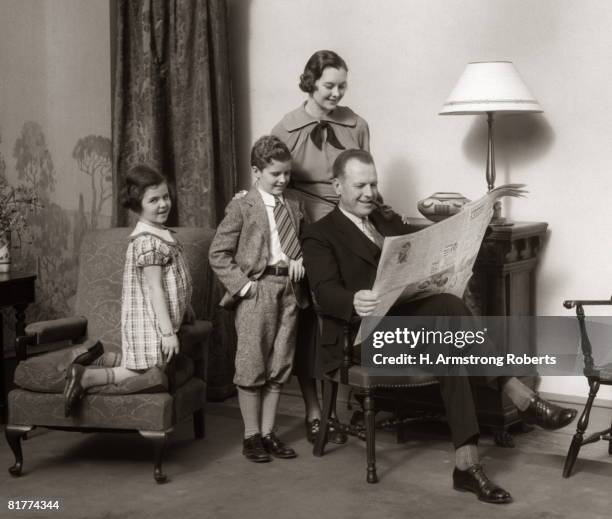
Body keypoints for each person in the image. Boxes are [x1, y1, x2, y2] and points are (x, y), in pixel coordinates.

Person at [301, 149, 578, 504]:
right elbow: (324, 294)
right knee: (448, 324)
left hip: (407, 325)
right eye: (360, 185)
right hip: (361, 337)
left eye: (373, 183)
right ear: (337, 185)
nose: (369, 192)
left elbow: (422, 253)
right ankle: (517, 393)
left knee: (447, 317)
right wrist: (353, 299)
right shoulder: (320, 234)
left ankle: (467, 463)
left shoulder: (386, 221)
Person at [271, 50, 370, 444]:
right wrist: (291, 248)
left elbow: (364, 179)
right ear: (310, 82)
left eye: (342, 85)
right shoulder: (285, 128)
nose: (336, 92)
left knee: (362, 305)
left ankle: (362, 402)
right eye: (329, 85)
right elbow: (274, 192)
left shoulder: (357, 124)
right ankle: (316, 412)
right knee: (311, 321)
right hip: (305, 228)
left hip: (349, 224)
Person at [209, 135, 309, 463]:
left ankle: (268, 434)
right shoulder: (242, 206)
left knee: (280, 364)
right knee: (252, 363)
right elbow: (218, 253)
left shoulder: (294, 205)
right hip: (258, 290)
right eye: (274, 174)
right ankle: (251, 435)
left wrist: (301, 261)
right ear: (256, 171)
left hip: (290, 290)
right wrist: (244, 287)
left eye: (286, 174)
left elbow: (305, 243)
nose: (282, 180)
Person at [64, 165, 194, 416]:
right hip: (149, 320)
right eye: (153, 200)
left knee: (145, 362)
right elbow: (155, 289)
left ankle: (97, 355)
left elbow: (174, 279)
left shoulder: (163, 233)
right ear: (137, 205)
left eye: (165, 197)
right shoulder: (147, 241)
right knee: (144, 369)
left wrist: (186, 306)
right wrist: (167, 333)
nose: (163, 204)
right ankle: (86, 376)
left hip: (161, 318)